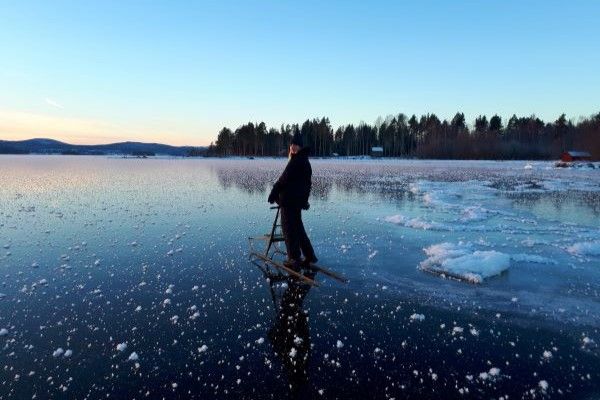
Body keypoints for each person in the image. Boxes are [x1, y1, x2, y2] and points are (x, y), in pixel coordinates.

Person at [268, 132, 318, 270]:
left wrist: (273, 194)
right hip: (296, 201)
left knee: (289, 229)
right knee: (298, 228)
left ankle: (294, 258)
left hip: (289, 201)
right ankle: (309, 255)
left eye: (296, 145)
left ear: (301, 147)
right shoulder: (305, 161)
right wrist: (304, 200)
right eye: (292, 144)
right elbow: (307, 185)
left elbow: (283, 180)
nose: (293, 147)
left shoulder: (296, 161)